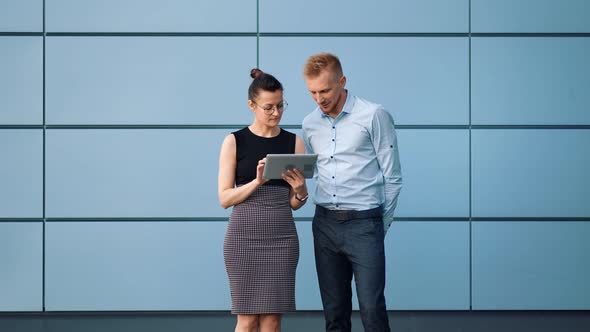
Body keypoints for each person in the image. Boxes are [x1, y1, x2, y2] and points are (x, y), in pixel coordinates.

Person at [301, 53, 402, 332]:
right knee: (334, 314)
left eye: (325, 90)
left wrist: (378, 226)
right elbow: (313, 171)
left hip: (364, 223)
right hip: (324, 225)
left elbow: (392, 178)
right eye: (312, 92)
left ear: (342, 81)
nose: (319, 98)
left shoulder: (374, 115)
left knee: (372, 310)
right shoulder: (309, 123)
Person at [218, 68, 309, 332]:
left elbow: (294, 202)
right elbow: (224, 198)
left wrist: (301, 190)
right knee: (246, 321)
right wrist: (257, 182)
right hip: (243, 238)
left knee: (272, 321)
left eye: (281, 105)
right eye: (269, 107)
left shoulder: (294, 142)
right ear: (252, 105)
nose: (276, 112)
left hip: (282, 238)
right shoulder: (234, 141)